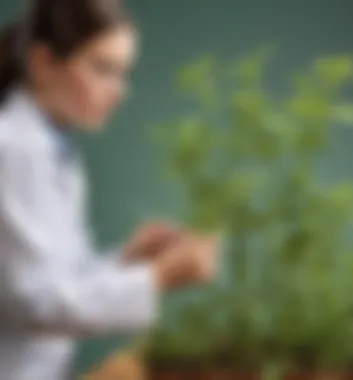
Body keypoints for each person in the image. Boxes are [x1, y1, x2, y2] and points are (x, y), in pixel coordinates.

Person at [0, 0, 221, 379]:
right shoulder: (13, 149)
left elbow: (59, 279)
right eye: (102, 69)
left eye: (123, 74)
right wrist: (159, 277)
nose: (119, 91)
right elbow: (38, 305)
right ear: (43, 64)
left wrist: (129, 259)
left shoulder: (53, 147)